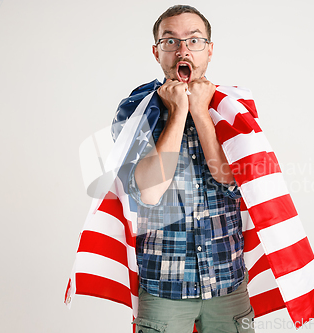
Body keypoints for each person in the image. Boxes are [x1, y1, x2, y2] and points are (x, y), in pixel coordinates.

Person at [121, 4, 255, 333]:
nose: (183, 49)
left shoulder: (233, 107)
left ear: (209, 50)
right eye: (171, 41)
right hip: (163, 287)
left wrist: (201, 111)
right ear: (157, 52)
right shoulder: (136, 109)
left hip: (227, 282)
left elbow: (234, 182)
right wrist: (180, 110)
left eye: (194, 40)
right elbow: (148, 193)